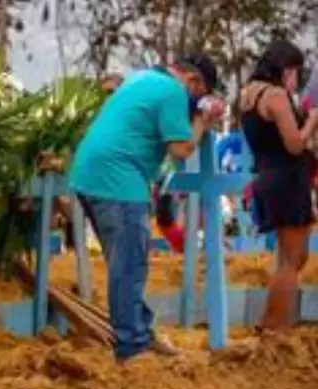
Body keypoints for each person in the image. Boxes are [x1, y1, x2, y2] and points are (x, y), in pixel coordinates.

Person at [69, 54, 225, 361]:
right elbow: (181, 148)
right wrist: (202, 122)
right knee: (129, 266)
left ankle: (139, 330)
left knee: (124, 261)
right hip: (118, 180)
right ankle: (132, 345)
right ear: (193, 82)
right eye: (200, 94)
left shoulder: (142, 78)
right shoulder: (173, 92)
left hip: (90, 174)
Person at [239, 40, 318, 333]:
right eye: (295, 72)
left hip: (268, 177)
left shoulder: (247, 94)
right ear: (286, 69)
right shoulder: (275, 97)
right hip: (287, 180)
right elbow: (295, 144)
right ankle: (274, 327)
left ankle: (272, 322)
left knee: (291, 257)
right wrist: (312, 120)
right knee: (292, 258)